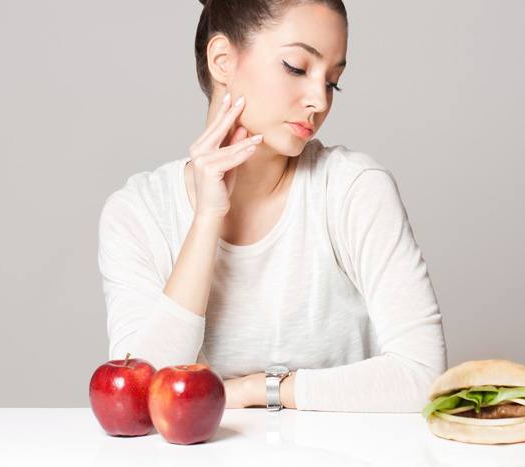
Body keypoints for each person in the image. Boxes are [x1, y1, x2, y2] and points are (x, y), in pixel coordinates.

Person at [97, 0, 448, 412]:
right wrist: (207, 219)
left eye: (333, 81)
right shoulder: (137, 213)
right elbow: (140, 398)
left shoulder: (353, 190)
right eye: (297, 67)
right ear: (223, 61)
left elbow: (424, 376)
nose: (319, 99)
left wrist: (257, 390)